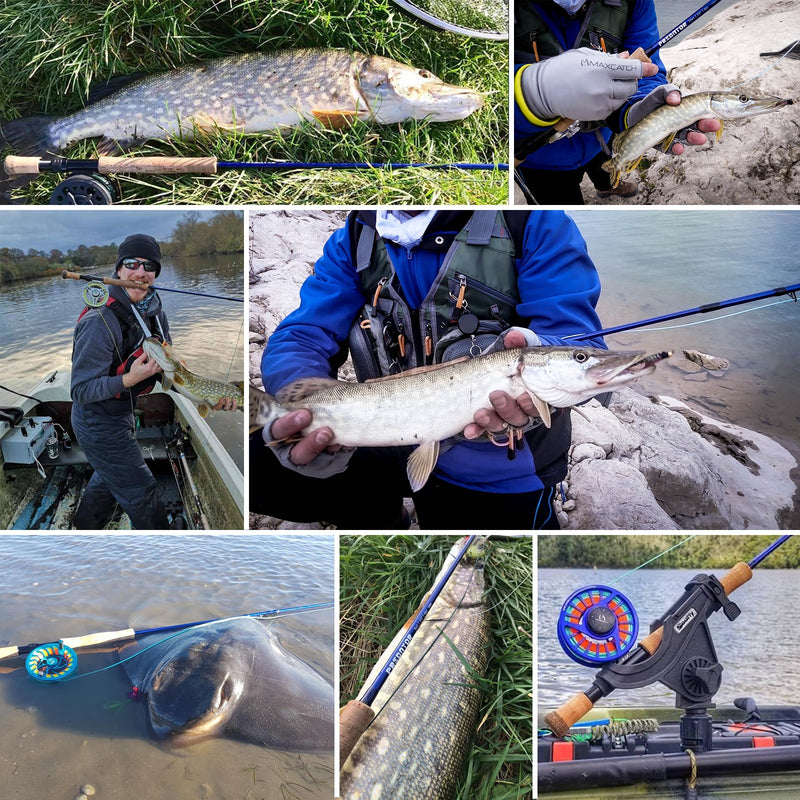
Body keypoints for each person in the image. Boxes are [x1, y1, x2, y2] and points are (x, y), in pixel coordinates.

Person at [250, 210, 606, 530]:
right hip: (378, 431)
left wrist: (540, 347)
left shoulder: (533, 222)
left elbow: (580, 340)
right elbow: (303, 335)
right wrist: (301, 404)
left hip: (499, 466)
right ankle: (380, 519)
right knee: (255, 465)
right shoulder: (357, 234)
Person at [514, 0, 722, 204]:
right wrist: (528, 93)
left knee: (605, 167)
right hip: (539, 158)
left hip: (602, 137)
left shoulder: (635, 3)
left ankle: (607, 185)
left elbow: (648, 72)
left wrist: (635, 107)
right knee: (561, 204)